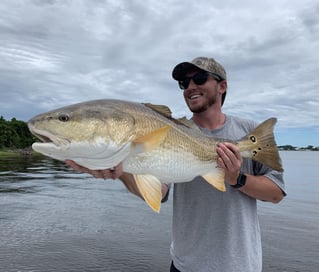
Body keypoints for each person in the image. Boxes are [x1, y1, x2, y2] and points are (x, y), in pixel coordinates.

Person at [66, 57, 286, 272]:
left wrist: (237, 179)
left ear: (222, 86)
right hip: (184, 265)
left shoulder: (251, 132)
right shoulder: (171, 131)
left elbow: (276, 193)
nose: (190, 87)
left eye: (199, 78)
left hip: (240, 265)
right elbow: (159, 192)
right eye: (184, 83)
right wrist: (121, 169)